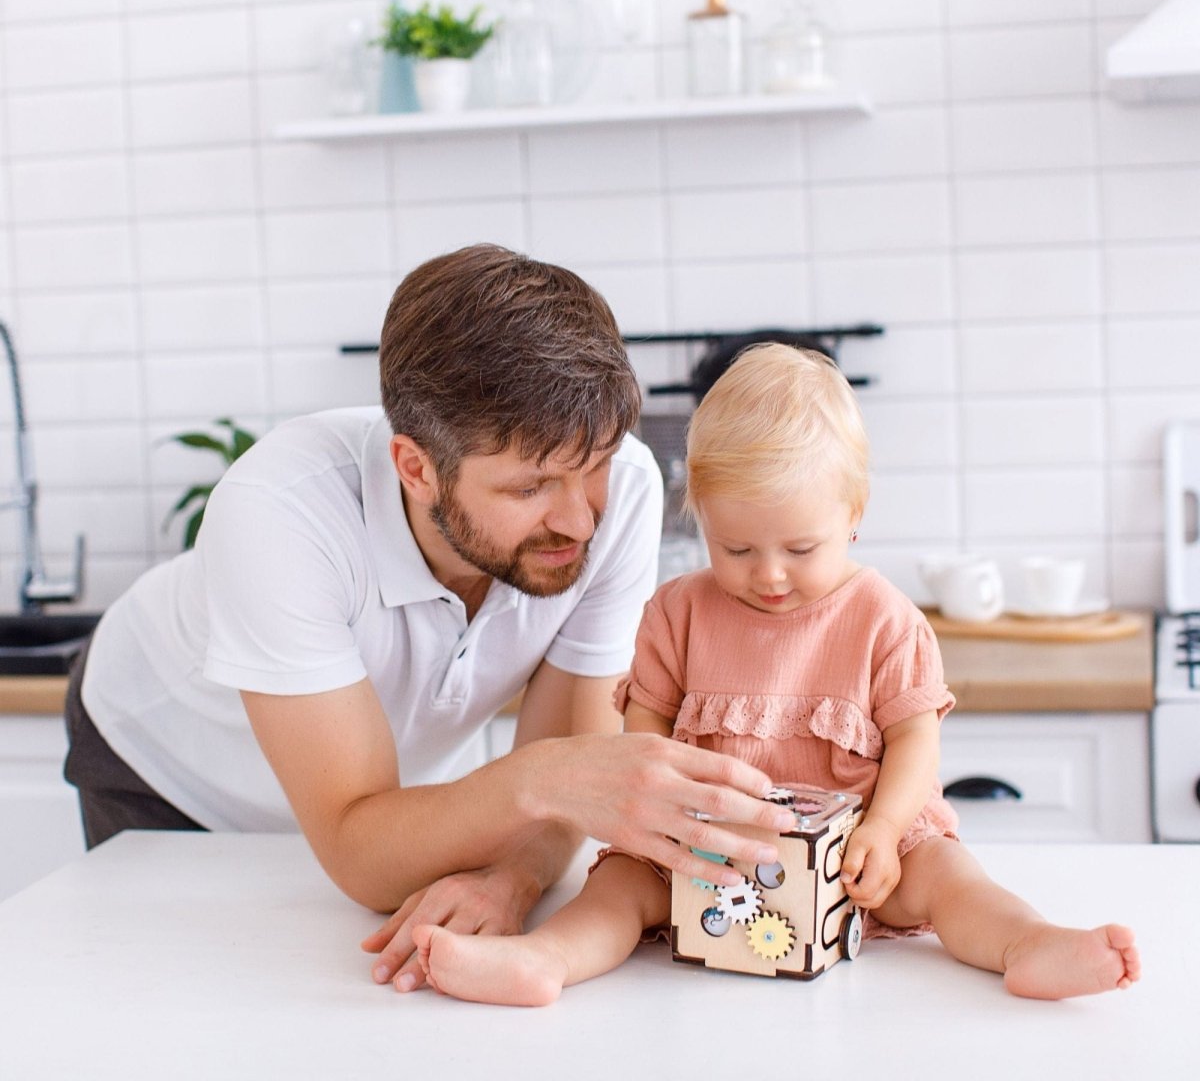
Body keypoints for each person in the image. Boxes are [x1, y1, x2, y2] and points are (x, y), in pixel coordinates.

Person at [63, 245, 796, 993]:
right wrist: (543, 778)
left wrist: (512, 874)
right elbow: (363, 848)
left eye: (595, 465)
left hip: (381, 805)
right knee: (176, 1004)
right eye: (531, 487)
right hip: (169, 769)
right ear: (415, 468)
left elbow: (572, 778)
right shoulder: (280, 512)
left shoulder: (626, 491)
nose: (580, 520)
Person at [411, 343, 1142, 1005]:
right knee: (619, 889)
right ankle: (544, 960)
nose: (768, 575)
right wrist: (665, 823)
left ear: (853, 514)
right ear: (700, 518)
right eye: (735, 549)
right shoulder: (677, 613)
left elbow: (916, 741)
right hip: (709, 856)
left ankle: (1028, 944)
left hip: (864, 853)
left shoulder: (885, 618)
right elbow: (646, 733)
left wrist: (885, 829)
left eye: (799, 549)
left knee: (952, 880)